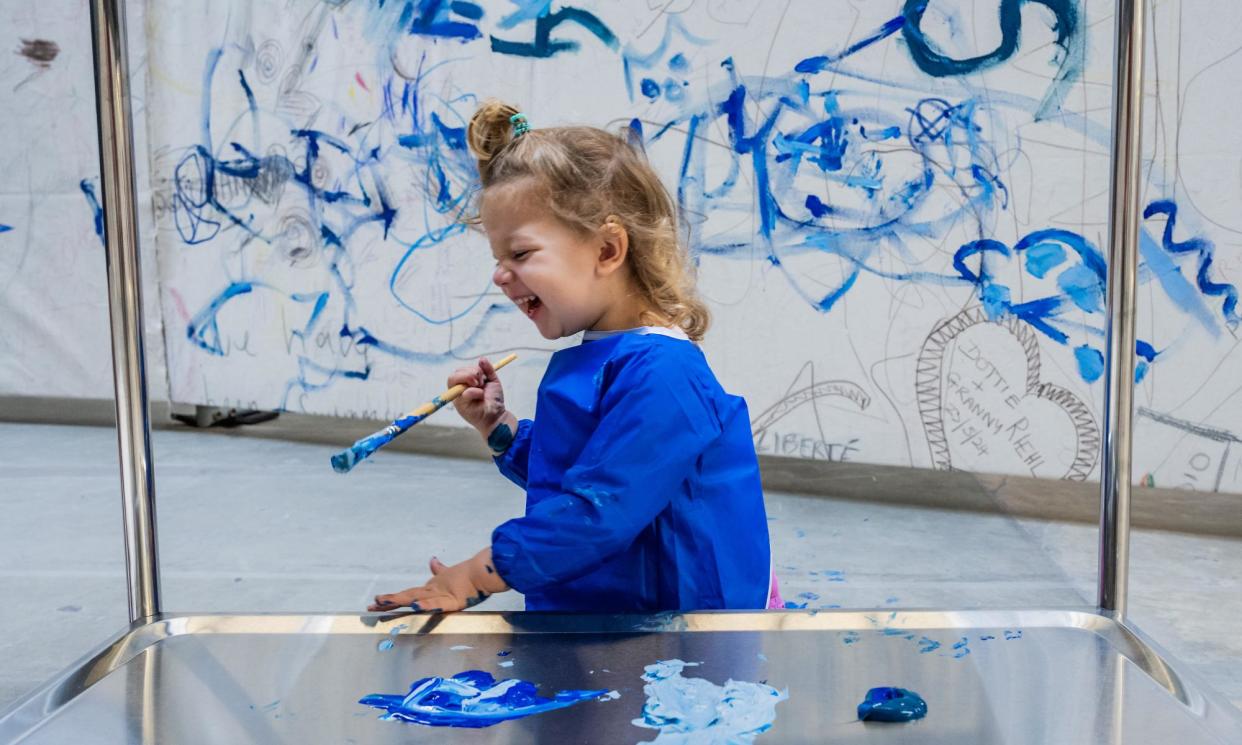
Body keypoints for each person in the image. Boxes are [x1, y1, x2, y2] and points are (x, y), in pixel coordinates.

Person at [369, 101, 779, 614]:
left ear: (608, 250)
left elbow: (598, 509)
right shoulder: (600, 354)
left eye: (519, 255)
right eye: (498, 259)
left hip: (682, 643)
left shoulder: (663, 373)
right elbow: (577, 471)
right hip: (618, 625)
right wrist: (500, 430)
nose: (500, 275)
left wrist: (478, 574)